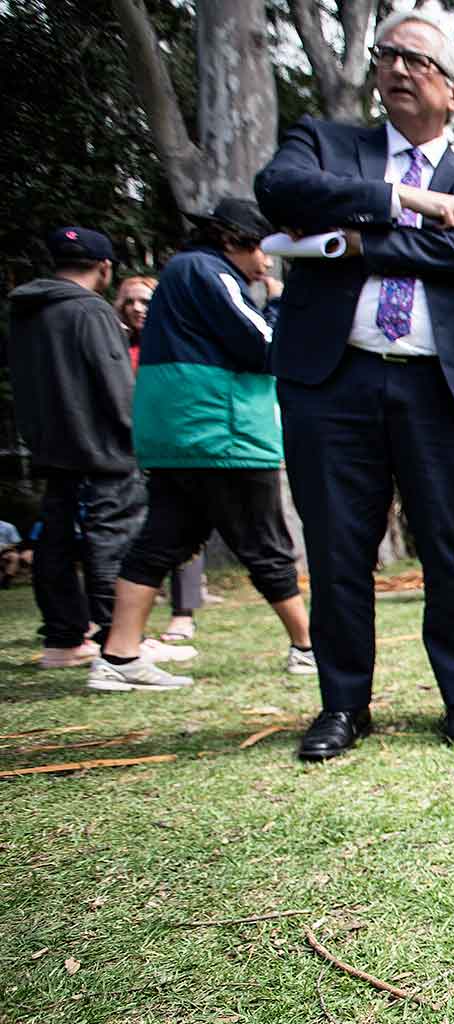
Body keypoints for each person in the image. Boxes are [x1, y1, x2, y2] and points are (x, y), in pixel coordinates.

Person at [255, 6, 454, 759]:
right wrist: (401, 202)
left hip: (442, 390)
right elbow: (279, 190)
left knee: (452, 547)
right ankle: (343, 704)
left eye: (419, 61)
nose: (399, 70)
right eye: (388, 55)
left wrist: (357, 243)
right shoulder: (328, 145)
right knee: (339, 545)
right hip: (332, 382)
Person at [86, 197, 317, 692]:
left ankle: (119, 655)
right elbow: (265, 345)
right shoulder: (208, 273)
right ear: (234, 241)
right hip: (219, 430)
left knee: (162, 539)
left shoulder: (183, 274)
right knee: (264, 540)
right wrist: (277, 302)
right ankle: (308, 646)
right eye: (262, 250)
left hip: (182, 430)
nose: (266, 263)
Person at [8, 226, 147, 669]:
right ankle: (117, 640)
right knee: (111, 539)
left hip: (52, 447)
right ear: (105, 268)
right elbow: (116, 387)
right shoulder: (91, 311)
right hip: (102, 450)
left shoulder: (27, 311)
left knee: (57, 539)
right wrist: (140, 433)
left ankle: (64, 639)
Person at [118, 273, 204, 643]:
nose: (138, 309)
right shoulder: (118, 346)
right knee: (135, 535)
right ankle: (124, 632)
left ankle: (182, 613)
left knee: (182, 527)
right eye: (130, 301)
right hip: (126, 448)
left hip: (174, 447)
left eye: (146, 302)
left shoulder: (181, 341)